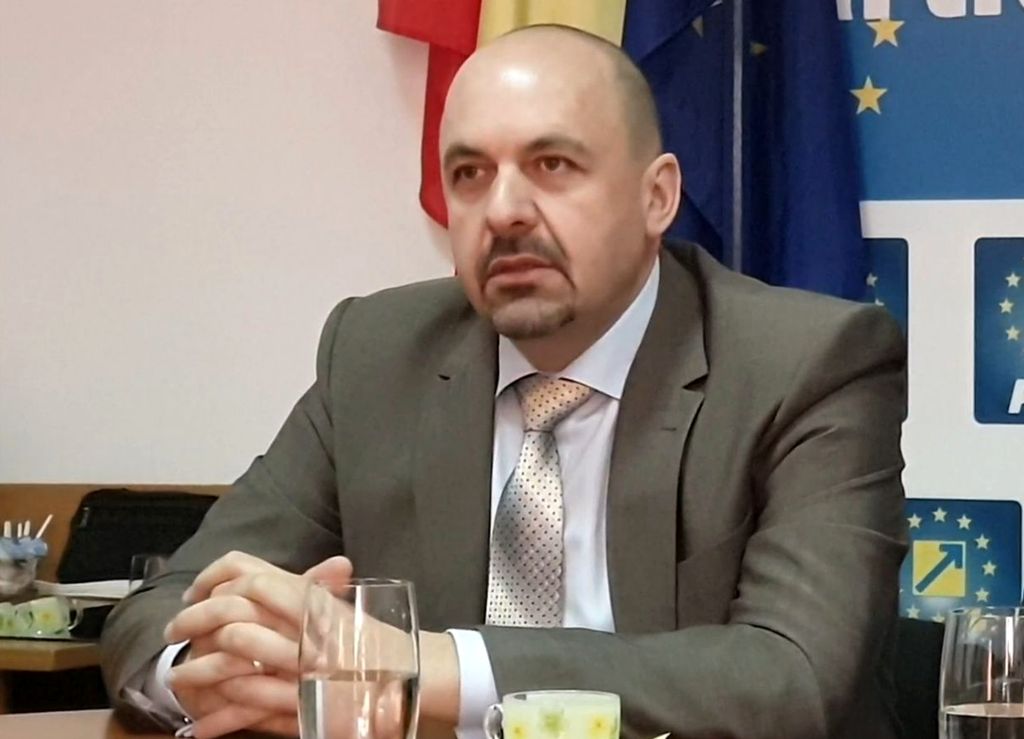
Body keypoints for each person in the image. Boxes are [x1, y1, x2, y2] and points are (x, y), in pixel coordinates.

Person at [100, 24, 908, 739]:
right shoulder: (376, 355)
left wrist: (414, 667)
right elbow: (162, 609)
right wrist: (217, 670)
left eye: (552, 165)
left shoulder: (806, 362)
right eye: (469, 174)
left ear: (657, 196)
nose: (504, 210)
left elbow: (790, 675)